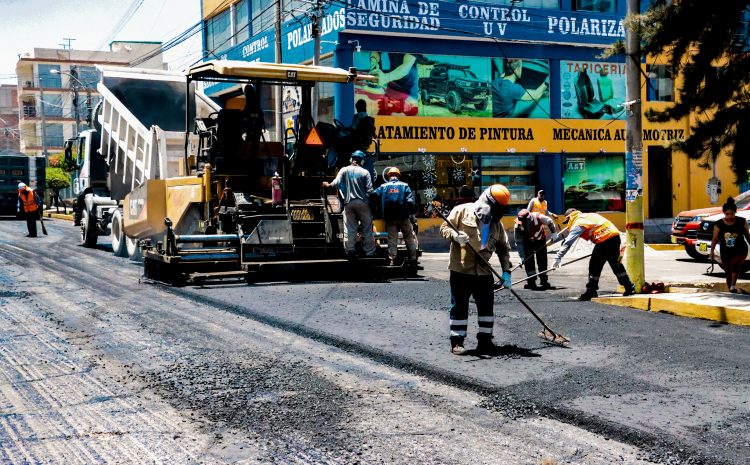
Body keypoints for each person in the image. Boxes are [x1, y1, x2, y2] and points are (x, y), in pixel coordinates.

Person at [440, 184, 512, 356]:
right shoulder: (461, 211)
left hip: (484, 272)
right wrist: (455, 236)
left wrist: (506, 272)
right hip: (461, 270)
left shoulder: (497, 224)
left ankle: (485, 342)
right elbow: (444, 228)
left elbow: (503, 248)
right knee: (459, 307)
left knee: (486, 309)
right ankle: (457, 342)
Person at [553, 208, 635, 301]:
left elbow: (569, 242)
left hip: (604, 239)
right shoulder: (588, 216)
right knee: (616, 264)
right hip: (615, 237)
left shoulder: (578, 222)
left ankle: (591, 290)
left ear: (569, 218)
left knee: (594, 265)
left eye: (567, 222)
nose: (567, 224)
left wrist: (558, 257)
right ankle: (629, 287)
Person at [322, 150, 377, 258]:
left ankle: (350, 250)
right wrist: (374, 204)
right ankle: (369, 252)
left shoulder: (344, 170)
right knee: (366, 228)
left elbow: (335, 183)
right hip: (363, 203)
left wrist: (327, 184)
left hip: (349, 204)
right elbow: (370, 191)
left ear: (352, 159)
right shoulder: (365, 172)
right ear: (361, 161)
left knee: (350, 228)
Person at [374, 167, 418, 266]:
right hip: (404, 217)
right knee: (409, 238)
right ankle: (413, 259)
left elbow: (373, 195)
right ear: (398, 175)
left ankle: (392, 260)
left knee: (392, 239)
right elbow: (410, 201)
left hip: (390, 218)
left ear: (389, 176)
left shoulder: (384, 186)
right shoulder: (405, 185)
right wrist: (411, 214)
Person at [709, 197, 750, 293]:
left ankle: (733, 285)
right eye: (727, 214)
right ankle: (731, 288)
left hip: (740, 249)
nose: (729, 216)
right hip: (725, 250)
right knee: (728, 270)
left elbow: (748, 236)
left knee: (735, 265)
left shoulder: (742, 221)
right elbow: (714, 239)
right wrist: (711, 252)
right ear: (724, 213)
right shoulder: (718, 224)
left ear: (735, 212)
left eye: (732, 214)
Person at [514, 209, 560, 290]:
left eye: (524, 222)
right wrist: (521, 257)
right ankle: (531, 281)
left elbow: (550, 222)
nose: (523, 224)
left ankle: (544, 280)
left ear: (529, 219)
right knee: (528, 260)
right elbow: (518, 241)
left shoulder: (538, 216)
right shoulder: (518, 224)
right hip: (527, 242)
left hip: (540, 240)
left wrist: (553, 232)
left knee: (542, 260)